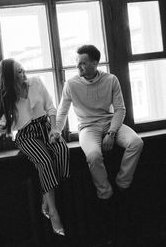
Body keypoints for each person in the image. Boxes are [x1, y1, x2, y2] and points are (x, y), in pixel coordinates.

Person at [0, 58, 70, 236]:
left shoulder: (36, 83)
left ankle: (45, 198)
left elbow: (50, 107)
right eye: (19, 72)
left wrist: (55, 130)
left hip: (46, 127)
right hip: (26, 135)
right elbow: (2, 127)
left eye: (23, 70)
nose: (24, 74)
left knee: (62, 151)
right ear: (10, 78)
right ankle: (53, 211)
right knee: (45, 161)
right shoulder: (8, 97)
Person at [54, 45, 144, 241]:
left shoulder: (111, 80)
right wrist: (56, 131)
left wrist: (112, 132)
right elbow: (61, 112)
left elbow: (120, 109)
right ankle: (105, 193)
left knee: (136, 142)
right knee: (93, 155)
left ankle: (122, 183)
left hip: (110, 122)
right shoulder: (71, 84)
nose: (78, 66)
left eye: (83, 63)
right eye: (77, 63)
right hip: (87, 127)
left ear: (95, 63)